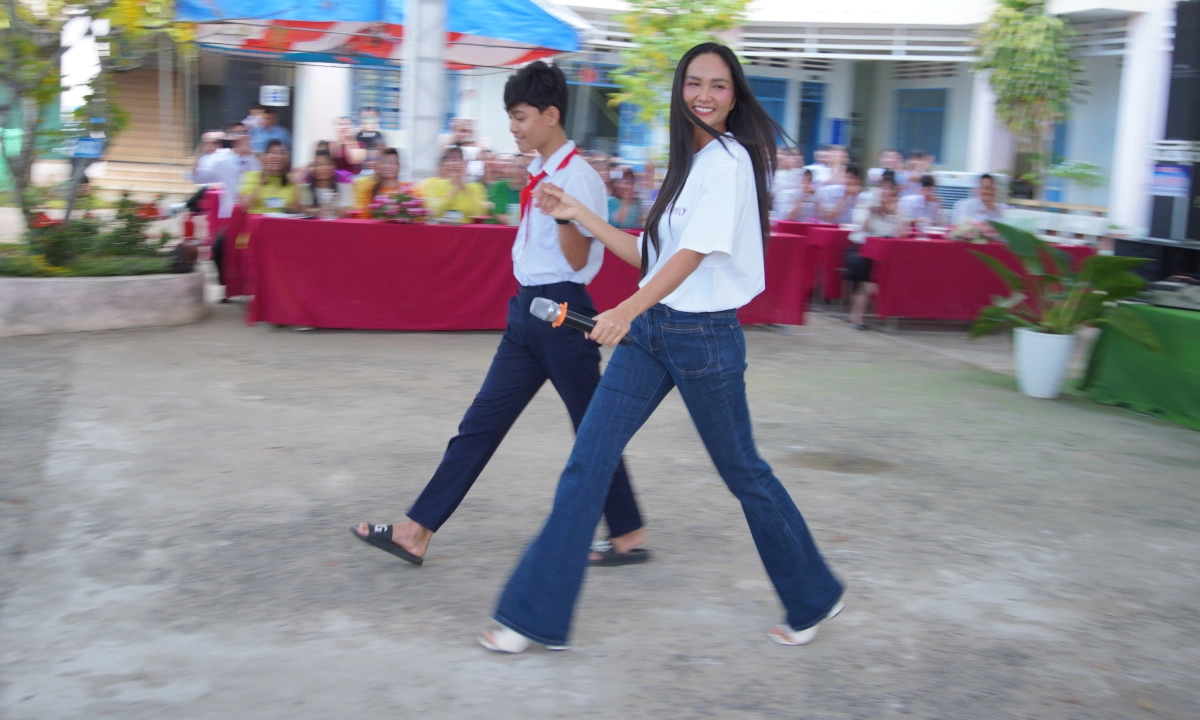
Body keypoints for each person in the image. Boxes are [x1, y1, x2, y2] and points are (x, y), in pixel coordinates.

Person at [480, 42, 843, 654]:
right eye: (694, 82)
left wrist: (624, 310)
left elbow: (691, 256)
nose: (704, 94)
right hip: (652, 334)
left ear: (734, 95)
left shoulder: (729, 161)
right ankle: (532, 616)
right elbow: (650, 254)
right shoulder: (689, 164)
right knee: (588, 461)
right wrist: (578, 212)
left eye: (719, 85)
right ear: (680, 90)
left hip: (704, 339)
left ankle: (813, 594)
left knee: (743, 472)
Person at [352, 60, 650, 570]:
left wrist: (564, 217)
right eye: (511, 116)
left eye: (520, 116)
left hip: (561, 311)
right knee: (482, 422)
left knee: (591, 425)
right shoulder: (539, 170)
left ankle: (626, 533)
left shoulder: (578, 177)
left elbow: (578, 260)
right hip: (527, 310)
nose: (513, 127)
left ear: (551, 115)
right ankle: (417, 531)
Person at [846, 170, 903, 330]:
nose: (886, 192)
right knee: (866, 272)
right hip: (861, 249)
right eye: (883, 188)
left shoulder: (898, 208)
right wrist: (873, 212)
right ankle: (859, 314)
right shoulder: (866, 204)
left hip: (886, 253)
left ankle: (856, 313)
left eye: (889, 189)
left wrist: (896, 212)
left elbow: (900, 233)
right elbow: (865, 227)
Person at [415, 146, 490, 221]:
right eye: (449, 160)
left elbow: (479, 213)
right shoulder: (433, 184)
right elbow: (434, 212)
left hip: (467, 227)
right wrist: (455, 189)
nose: (454, 164)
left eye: (459, 159)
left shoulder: (477, 187)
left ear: (466, 163)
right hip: (442, 227)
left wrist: (462, 186)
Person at [238, 139, 298, 214]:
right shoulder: (250, 176)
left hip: (281, 220)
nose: (277, 157)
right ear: (263, 158)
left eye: (282, 153)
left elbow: (298, 210)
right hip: (257, 220)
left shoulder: (291, 180)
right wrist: (261, 183)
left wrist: (297, 185)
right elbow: (244, 206)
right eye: (272, 152)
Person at [297, 150, 354, 217]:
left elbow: (347, 213)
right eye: (317, 164)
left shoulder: (344, 188)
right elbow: (302, 210)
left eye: (327, 164)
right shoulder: (304, 189)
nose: (323, 168)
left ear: (334, 166)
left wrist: (330, 210)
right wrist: (318, 211)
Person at [354, 147, 404, 212]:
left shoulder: (405, 189)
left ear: (399, 167)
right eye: (384, 162)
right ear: (376, 165)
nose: (387, 166)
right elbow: (359, 211)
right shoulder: (364, 184)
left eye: (392, 163)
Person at [488, 154, 526, 225]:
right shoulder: (500, 186)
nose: (519, 171)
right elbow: (499, 215)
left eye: (524, 168)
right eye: (515, 167)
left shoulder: (532, 189)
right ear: (510, 168)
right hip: (499, 229)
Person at [770, 147, 802, 220]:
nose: (794, 158)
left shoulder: (804, 174)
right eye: (789, 155)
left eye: (796, 155)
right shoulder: (776, 175)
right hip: (781, 215)